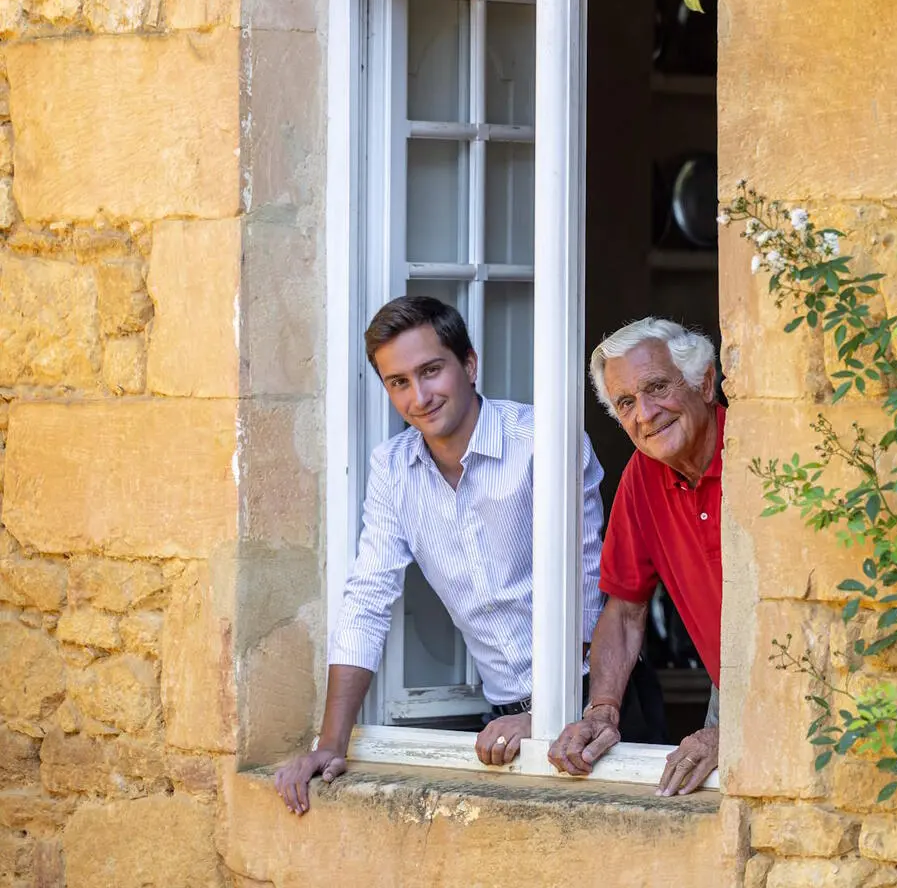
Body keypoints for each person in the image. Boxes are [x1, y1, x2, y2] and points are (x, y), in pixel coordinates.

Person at [273, 297, 662, 814]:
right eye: (399, 382)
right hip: (504, 721)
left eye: (431, 371)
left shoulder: (540, 442)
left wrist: (548, 717)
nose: (420, 396)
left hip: (607, 702)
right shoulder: (392, 470)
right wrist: (330, 744)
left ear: (470, 364)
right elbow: (367, 600)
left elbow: (591, 588)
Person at [547, 318, 725, 797]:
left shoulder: (755, 455)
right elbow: (625, 610)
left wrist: (737, 732)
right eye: (626, 403)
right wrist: (601, 710)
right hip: (729, 686)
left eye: (657, 387)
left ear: (705, 383)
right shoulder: (642, 477)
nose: (645, 414)